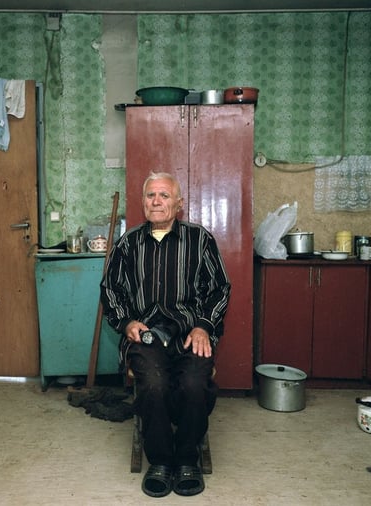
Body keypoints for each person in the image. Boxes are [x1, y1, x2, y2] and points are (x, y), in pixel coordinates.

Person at [100, 171, 231, 498]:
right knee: (154, 384)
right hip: (145, 336)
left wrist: (204, 326)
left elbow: (220, 289)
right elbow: (111, 290)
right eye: (150, 195)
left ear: (179, 204)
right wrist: (127, 322)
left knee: (194, 383)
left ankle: (187, 459)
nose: (156, 201)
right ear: (143, 202)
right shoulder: (128, 243)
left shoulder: (200, 240)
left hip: (190, 333)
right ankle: (159, 460)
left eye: (164, 195)